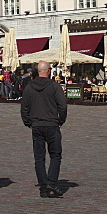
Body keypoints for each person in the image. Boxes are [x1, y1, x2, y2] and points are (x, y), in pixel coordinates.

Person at [20, 61, 67, 198]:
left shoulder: (29, 87)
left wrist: (28, 122)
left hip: (36, 126)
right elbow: (62, 106)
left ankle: (43, 186)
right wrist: (61, 120)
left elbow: (24, 107)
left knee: (39, 158)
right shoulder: (54, 86)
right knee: (55, 155)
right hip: (52, 124)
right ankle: (51, 182)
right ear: (48, 71)